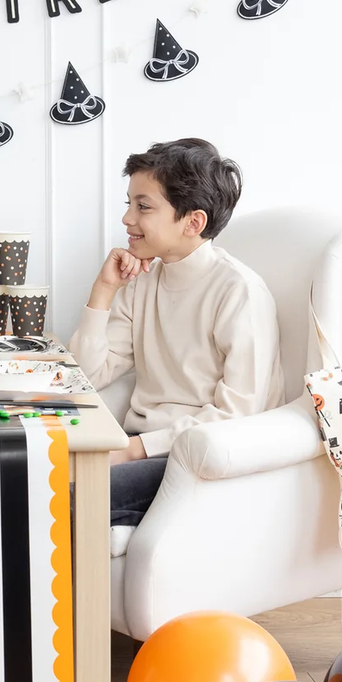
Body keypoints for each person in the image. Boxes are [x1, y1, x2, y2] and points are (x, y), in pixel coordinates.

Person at [69, 138, 284, 529]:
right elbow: (86, 378)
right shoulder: (144, 279)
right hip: (138, 445)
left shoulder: (239, 291)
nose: (127, 219)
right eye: (129, 204)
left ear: (193, 222)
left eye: (143, 206)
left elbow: (237, 415)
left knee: (61, 497)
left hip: (195, 460)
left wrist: (135, 450)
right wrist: (103, 290)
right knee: (28, 479)